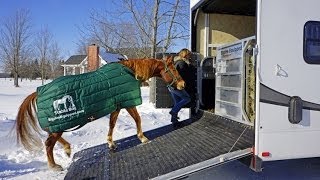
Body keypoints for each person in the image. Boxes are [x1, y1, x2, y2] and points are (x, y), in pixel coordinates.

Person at [168, 48, 196, 126]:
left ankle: (174, 121)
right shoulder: (181, 63)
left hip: (171, 85)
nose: (190, 57)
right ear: (185, 55)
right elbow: (183, 76)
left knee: (177, 102)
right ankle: (173, 111)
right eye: (189, 55)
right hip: (177, 86)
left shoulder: (176, 62)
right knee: (187, 98)